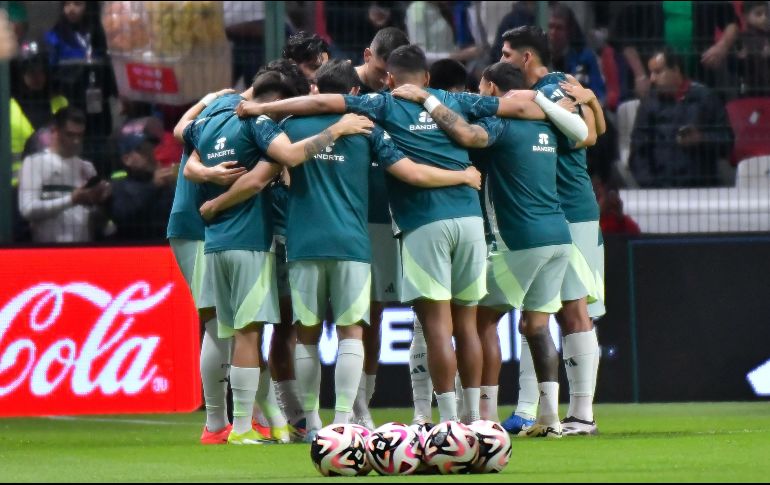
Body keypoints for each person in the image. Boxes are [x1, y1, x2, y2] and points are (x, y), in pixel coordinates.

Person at [237, 44, 587, 425]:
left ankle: (448, 420)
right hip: (469, 219)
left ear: (389, 78)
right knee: (467, 324)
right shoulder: (460, 101)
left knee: (436, 325)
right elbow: (521, 109)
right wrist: (556, 108)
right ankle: (476, 421)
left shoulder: (382, 105)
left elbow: (320, 104)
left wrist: (261, 109)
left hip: (423, 222)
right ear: (426, 78)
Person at [179, 69, 373, 445]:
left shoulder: (213, 120)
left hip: (214, 242)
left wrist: (207, 178)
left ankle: (224, 422)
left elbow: (186, 153)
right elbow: (281, 161)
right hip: (251, 241)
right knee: (253, 335)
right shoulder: (263, 127)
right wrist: (337, 130)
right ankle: (242, 428)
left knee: (226, 332)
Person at [400, 62, 575, 431]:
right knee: (537, 326)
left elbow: (466, 135)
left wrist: (427, 99)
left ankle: (486, 415)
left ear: (493, 89)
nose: (479, 95)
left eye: (481, 89)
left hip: (521, 239)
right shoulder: (546, 124)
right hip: (560, 235)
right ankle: (551, 418)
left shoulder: (500, 123)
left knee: (478, 319)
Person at [497, 25, 605, 437]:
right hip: (549, 212)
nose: (502, 60)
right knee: (538, 315)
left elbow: (587, 137)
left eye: (508, 54)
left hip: (570, 209)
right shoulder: (540, 94)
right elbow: (598, 131)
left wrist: (589, 104)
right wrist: (593, 103)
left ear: (526, 58)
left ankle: (581, 414)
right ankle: (538, 412)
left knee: (573, 310)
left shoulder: (555, 86)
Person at [168, 87, 243, 445]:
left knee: (225, 321)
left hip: (197, 226)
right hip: (198, 227)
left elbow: (179, 128)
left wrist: (204, 97)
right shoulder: (230, 119)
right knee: (218, 321)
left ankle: (229, 420)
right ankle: (215, 424)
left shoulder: (201, 124)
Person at [629, 47, 734, 188]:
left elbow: (727, 141)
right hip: (660, 188)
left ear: (676, 70)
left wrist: (701, 139)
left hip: (701, 188)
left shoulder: (706, 99)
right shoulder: (649, 105)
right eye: (651, 73)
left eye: (658, 72)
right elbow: (638, 153)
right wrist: (652, 187)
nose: (652, 79)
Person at [609, 1, 739, 99]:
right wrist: (640, 75)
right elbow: (623, 35)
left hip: (700, 79)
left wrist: (722, 46)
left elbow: (731, 22)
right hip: (654, 81)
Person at [18, 107, 110, 243]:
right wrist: (72, 200)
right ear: (54, 131)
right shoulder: (34, 163)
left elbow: (97, 217)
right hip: (48, 251)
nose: (76, 141)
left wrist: (103, 199)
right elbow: (27, 209)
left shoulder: (86, 167)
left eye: (80, 135)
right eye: (70, 135)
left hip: (83, 250)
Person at [10, 45, 68, 185]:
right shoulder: (8, 108)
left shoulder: (61, 103)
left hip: (56, 182)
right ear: (21, 75)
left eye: (40, 72)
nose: (37, 77)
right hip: (17, 186)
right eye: (30, 73)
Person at [108, 130, 174, 241]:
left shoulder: (163, 183)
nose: (150, 154)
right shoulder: (119, 186)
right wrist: (153, 186)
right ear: (127, 159)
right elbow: (124, 216)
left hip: (163, 248)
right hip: (133, 249)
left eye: (150, 149)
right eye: (142, 151)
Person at [548, 3, 606, 106]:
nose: (553, 32)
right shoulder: (541, 57)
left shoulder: (585, 58)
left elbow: (599, 95)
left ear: (569, 31)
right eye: (551, 27)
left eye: (559, 28)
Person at [354, 27, 410, 94]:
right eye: (381, 72)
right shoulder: (342, 85)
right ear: (367, 55)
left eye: (394, 75)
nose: (387, 82)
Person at [736, 1, 770, 97]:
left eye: (766, 14)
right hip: (752, 88)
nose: (764, 18)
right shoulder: (741, 38)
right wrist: (741, 58)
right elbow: (738, 70)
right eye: (758, 14)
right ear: (746, 16)